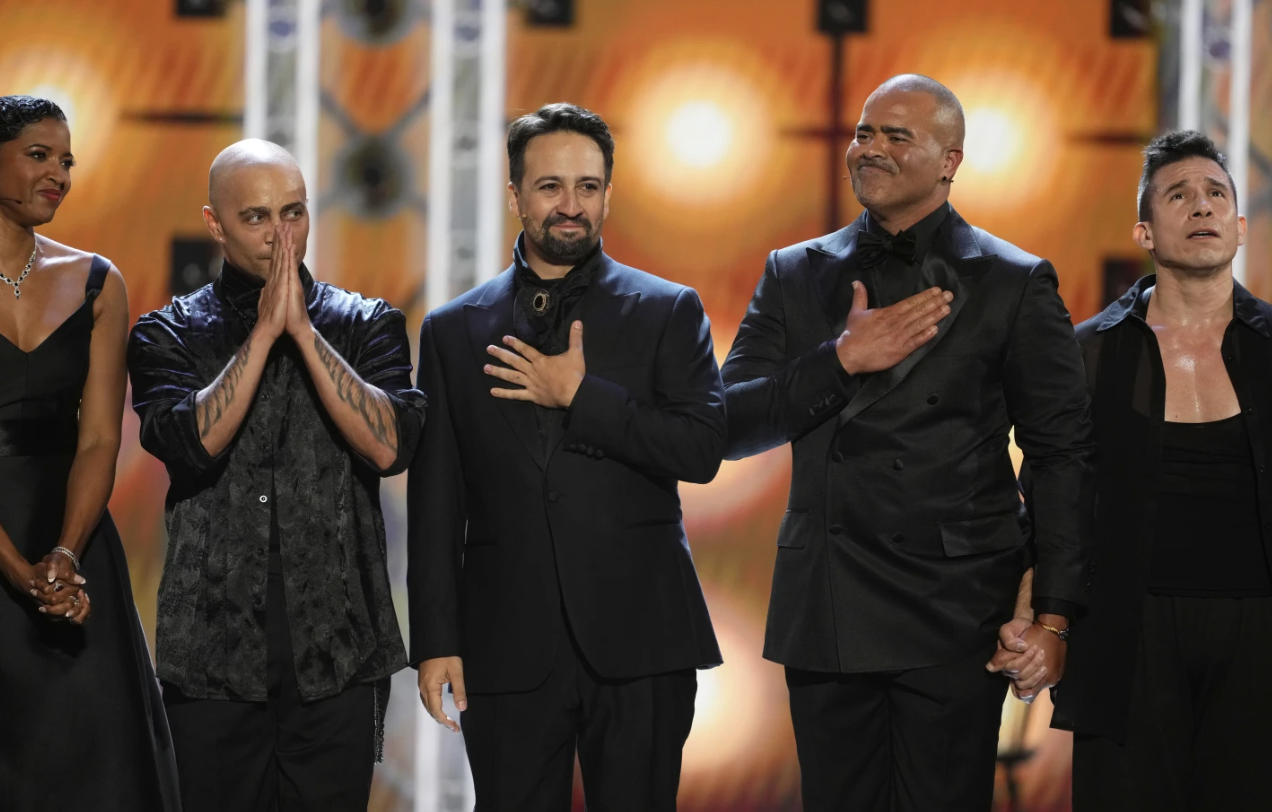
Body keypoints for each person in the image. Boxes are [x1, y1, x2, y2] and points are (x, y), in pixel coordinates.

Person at [721, 74, 1094, 812]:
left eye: (898, 136)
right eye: (864, 133)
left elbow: (1060, 456)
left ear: (950, 160)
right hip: (829, 603)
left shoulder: (1014, 282)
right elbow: (728, 425)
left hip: (957, 608)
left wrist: (1052, 614)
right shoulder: (794, 273)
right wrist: (839, 361)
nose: (871, 149)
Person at [409, 102, 724, 811]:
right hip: (504, 644)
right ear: (516, 195)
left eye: (588, 186)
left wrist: (584, 399)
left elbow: (702, 449)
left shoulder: (668, 310)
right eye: (550, 186)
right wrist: (435, 639)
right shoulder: (453, 330)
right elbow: (436, 501)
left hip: (642, 642)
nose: (571, 205)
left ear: (609, 194)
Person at [127, 139, 426, 812]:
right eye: (258, 218)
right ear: (215, 225)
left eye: (293, 214)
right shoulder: (166, 334)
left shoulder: (367, 324)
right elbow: (190, 446)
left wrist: (305, 335)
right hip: (210, 660)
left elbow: (391, 447)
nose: (281, 237)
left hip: (338, 656)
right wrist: (263, 337)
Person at [1029, 130, 1269, 811]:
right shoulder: (1087, 355)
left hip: (1259, 637)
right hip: (1127, 636)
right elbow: (1055, 500)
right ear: (1143, 229)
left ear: (1240, 226)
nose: (1201, 207)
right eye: (1179, 195)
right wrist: (1047, 619)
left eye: (1217, 195)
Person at [0, 95, 180, 810]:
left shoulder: (98, 282)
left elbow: (101, 438)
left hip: (70, 541)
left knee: (90, 763)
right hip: (13, 551)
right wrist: (19, 573)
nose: (60, 174)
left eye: (67, 160)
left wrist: (64, 559)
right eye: (39, 155)